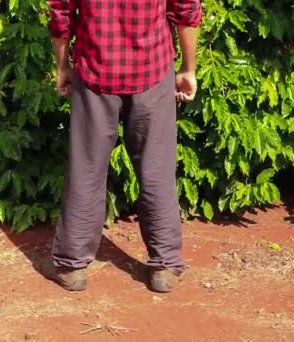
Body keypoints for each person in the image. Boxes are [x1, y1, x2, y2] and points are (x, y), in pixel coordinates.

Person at [45, 0, 202, 293]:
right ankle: (165, 266)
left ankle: (72, 265)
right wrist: (188, 69)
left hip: (94, 73)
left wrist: (62, 66)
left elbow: (61, 13)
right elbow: (186, 10)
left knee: (86, 169)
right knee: (157, 169)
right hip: (152, 72)